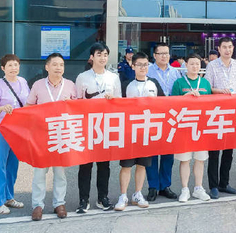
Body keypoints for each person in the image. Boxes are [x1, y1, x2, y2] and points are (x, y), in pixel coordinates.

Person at [26, 53, 77, 221]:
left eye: (61, 65)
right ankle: (37, 205)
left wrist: (72, 103)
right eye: (54, 64)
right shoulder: (38, 85)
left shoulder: (70, 85)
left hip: (62, 134)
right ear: (47, 67)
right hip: (41, 135)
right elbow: (29, 106)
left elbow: (79, 108)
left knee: (60, 172)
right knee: (40, 172)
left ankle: (59, 203)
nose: (58, 68)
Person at [74, 42, 122, 213]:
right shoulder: (82, 77)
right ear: (92, 57)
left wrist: (112, 100)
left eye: (105, 55)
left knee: (104, 165)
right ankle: (83, 200)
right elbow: (77, 102)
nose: (102, 58)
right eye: (99, 54)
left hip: (105, 126)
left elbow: (120, 102)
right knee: (85, 165)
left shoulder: (113, 77)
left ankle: (103, 197)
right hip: (87, 126)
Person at [115, 52, 164, 211]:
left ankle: (137, 193)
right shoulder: (126, 85)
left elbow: (165, 103)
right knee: (126, 165)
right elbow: (117, 105)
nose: (143, 68)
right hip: (129, 131)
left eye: (145, 65)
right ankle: (123, 195)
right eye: (139, 65)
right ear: (133, 66)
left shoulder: (154, 83)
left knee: (142, 165)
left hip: (147, 131)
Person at [0, 54, 29, 214]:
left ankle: (9, 197)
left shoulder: (23, 82)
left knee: (12, 166)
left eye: (16, 65)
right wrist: (1, 109)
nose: (13, 68)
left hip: (17, 131)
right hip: (1, 131)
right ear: (3, 68)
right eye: (10, 65)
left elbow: (28, 104)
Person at [203, 37, 236, 199]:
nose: (228, 50)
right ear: (218, 49)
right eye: (224, 47)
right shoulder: (212, 65)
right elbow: (207, 87)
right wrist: (219, 91)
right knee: (214, 151)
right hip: (217, 112)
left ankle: (224, 183)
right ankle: (213, 185)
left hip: (233, 112)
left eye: (230, 47)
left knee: (229, 151)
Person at [171, 54, 213, 202]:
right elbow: (172, 104)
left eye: (197, 64)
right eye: (192, 64)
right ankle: (185, 189)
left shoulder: (205, 83)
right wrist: (186, 97)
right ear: (186, 65)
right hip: (184, 126)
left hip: (201, 126)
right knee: (185, 159)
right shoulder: (179, 82)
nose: (195, 67)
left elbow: (211, 104)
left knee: (200, 159)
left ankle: (198, 188)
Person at [146, 42, 180, 202]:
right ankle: (153, 186)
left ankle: (165, 185)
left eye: (166, 53)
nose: (164, 56)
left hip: (170, 117)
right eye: (161, 53)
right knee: (151, 153)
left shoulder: (175, 72)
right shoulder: (148, 70)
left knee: (168, 153)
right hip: (152, 116)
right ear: (154, 55)